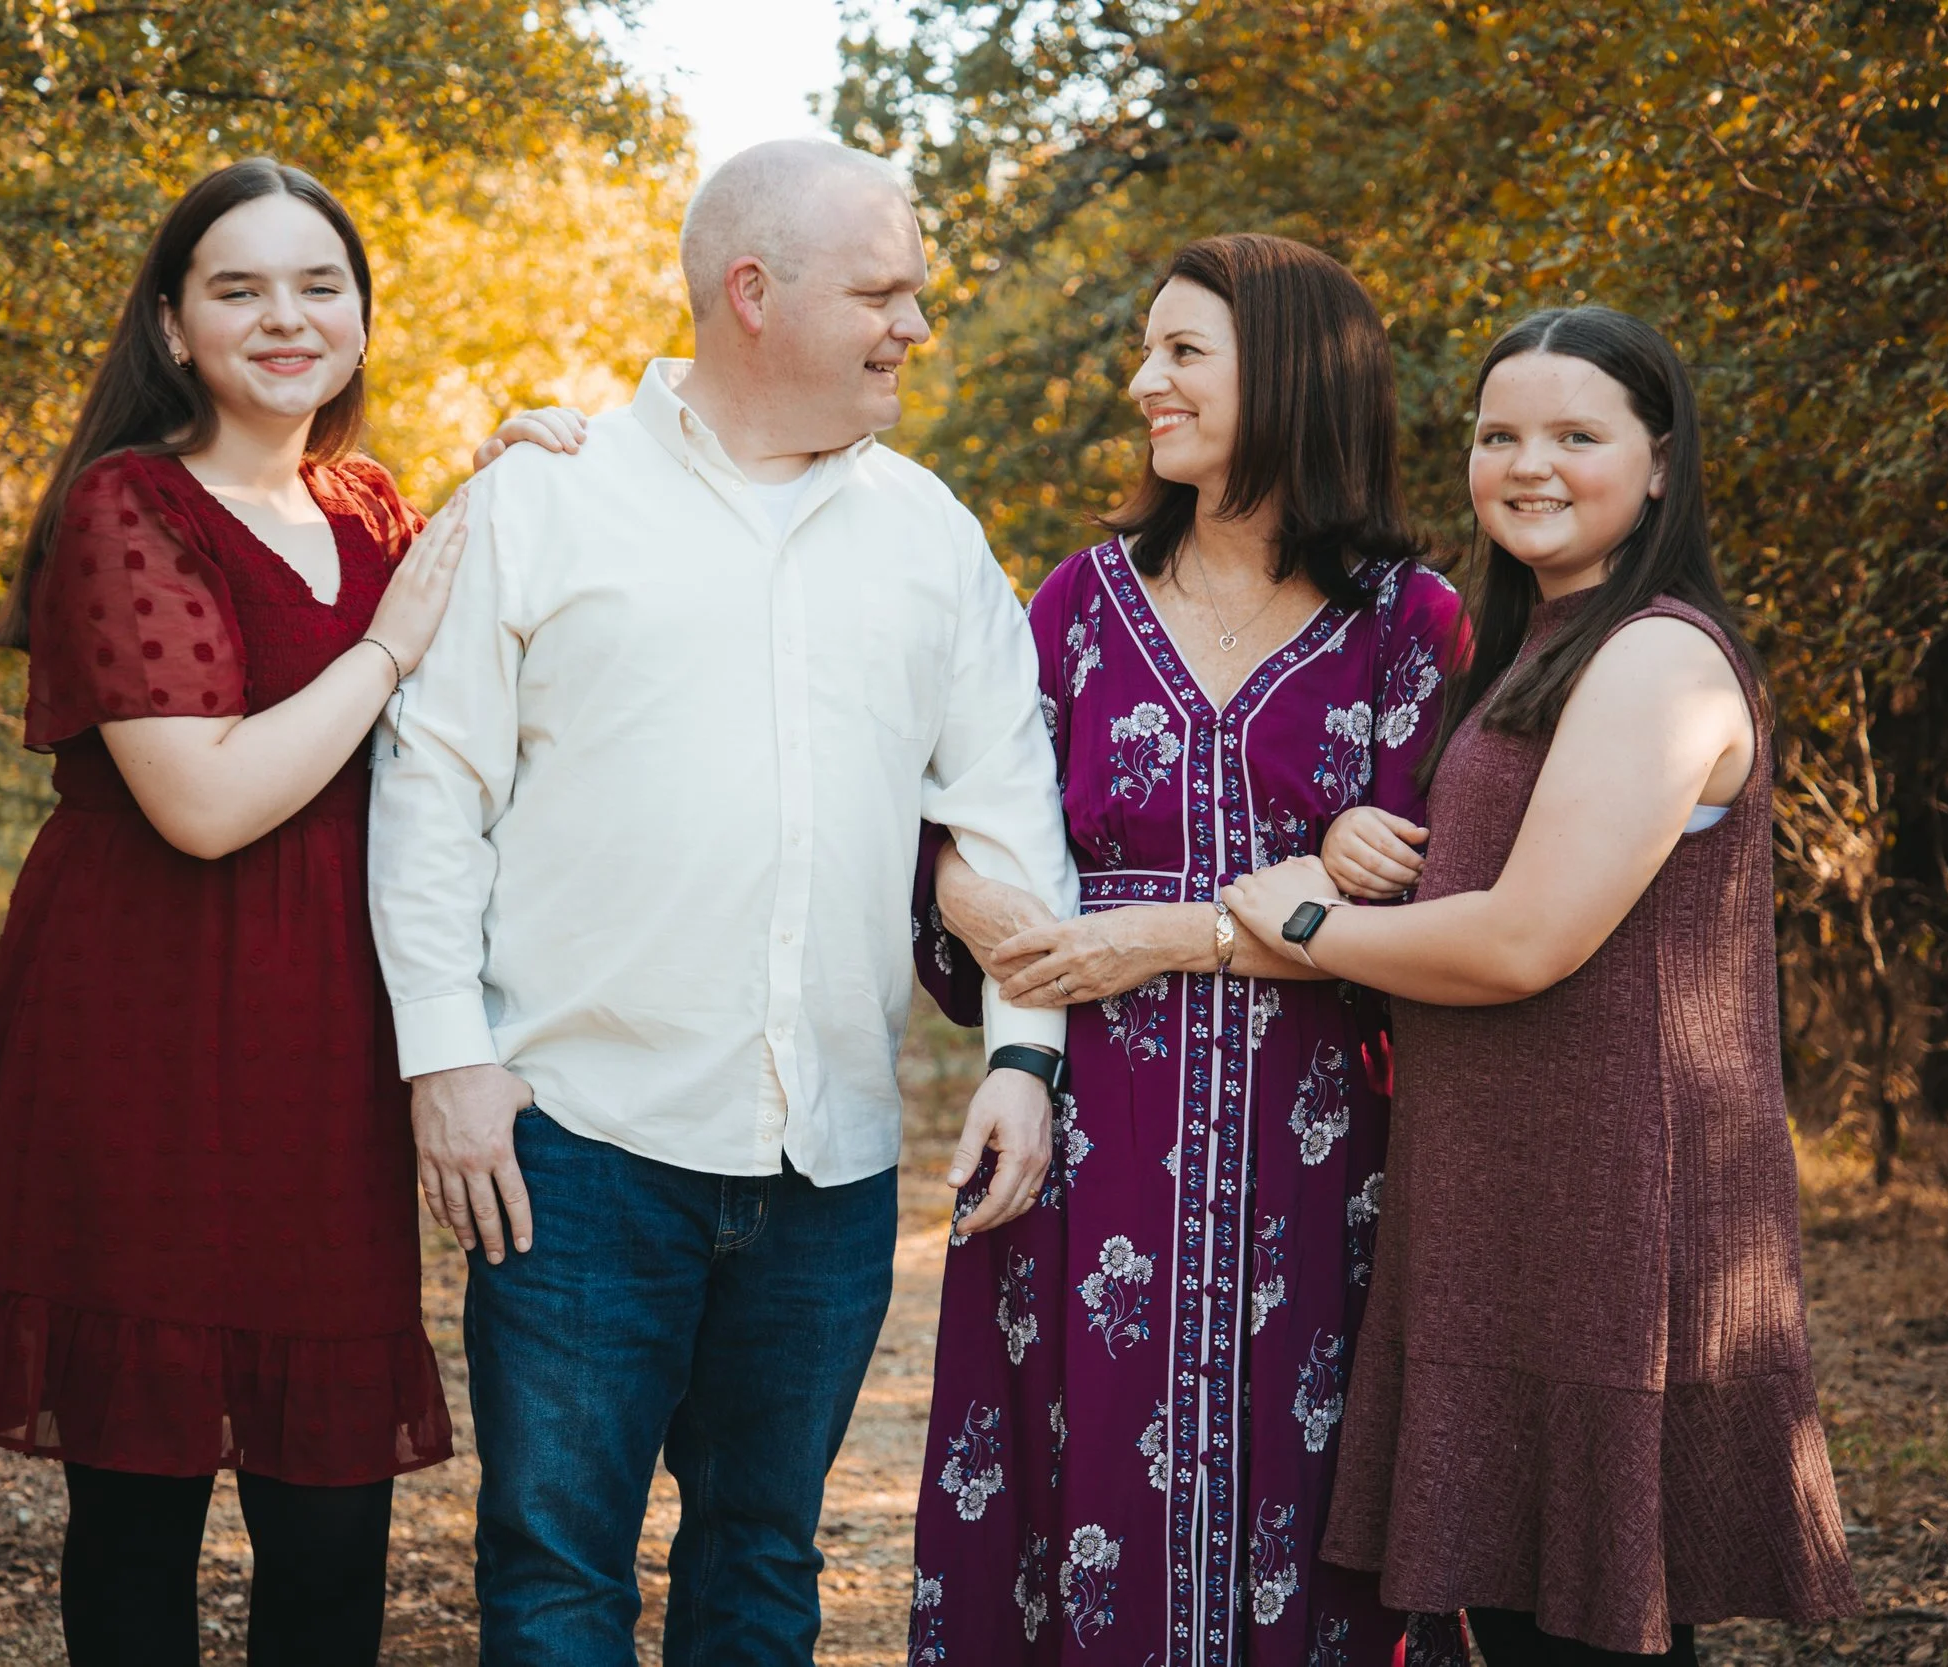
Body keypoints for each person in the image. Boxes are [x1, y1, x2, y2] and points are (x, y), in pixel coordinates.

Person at [365, 138, 1076, 1666]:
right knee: (556, 1572)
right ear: (753, 292)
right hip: (574, 1147)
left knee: (763, 1564)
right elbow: (432, 791)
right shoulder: (543, 504)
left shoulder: (932, 538)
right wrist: (445, 1056)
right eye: (884, 292)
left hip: (829, 1157)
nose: (915, 326)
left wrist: (1024, 1050)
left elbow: (1008, 814)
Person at [0, 156, 581, 1665]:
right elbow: (205, 799)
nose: (285, 316)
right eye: (239, 288)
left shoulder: (364, 502)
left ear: (359, 316)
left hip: (321, 1032)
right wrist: (391, 648)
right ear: (173, 325)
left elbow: (462, 675)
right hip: (142, 1021)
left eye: (319, 285)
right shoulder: (125, 505)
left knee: (333, 1511)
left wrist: (522, 477)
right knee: (141, 1502)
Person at [1223, 305, 1862, 1665]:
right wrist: (1365, 845)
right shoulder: (1536, 649)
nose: (1531, 463)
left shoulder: (1659, 658)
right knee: (1516, 1625)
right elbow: (1492, 871)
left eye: (1579, 434)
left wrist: (1311, 920)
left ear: (1660, 462)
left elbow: (1526, 938)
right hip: (1507, 1203)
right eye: (1500, 433)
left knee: (1586, 1633)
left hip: (1605, 1217)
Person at [911, 235, 1469, 1666]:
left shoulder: (1412, 625)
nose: (1142, 382)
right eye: (1147, 349)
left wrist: (1168, 931)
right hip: (1085, 1128)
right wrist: (983, 907)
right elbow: (954, 816)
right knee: (1072, 1496)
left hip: (1319, 1148)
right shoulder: (1077, 606)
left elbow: (1429, 922)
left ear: (1286, 373)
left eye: (1181, 353)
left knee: (1303, 1500)